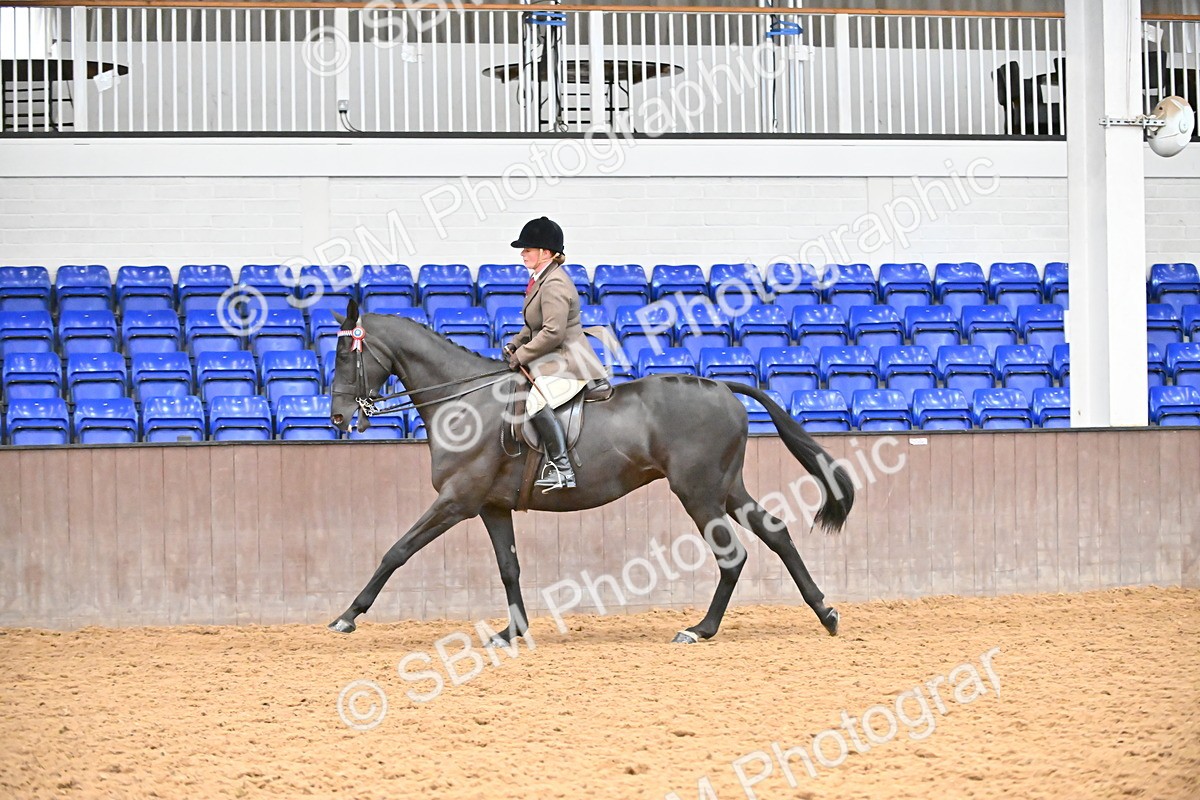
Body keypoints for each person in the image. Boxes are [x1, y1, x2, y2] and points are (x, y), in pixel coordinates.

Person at [502, 217, 608, 492]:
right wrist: (515, 343)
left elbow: (552, 333)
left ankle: (563, 470)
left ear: (546, 253)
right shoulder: (541, 280)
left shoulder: (554, 284)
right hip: (553, 359)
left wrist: (522, 355)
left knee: (535, 401)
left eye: (527, 249)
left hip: (569, 362)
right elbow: (532, 325)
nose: (522, 253)